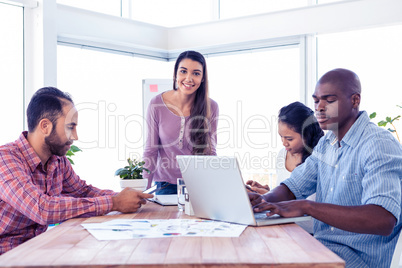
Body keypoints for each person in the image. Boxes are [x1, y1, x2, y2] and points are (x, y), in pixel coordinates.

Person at [249, 68, 402, 268]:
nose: (319, 108)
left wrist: (307, 207)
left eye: (329, 100)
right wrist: (261, 201)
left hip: (358, 260)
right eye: (316, 101)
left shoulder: (378, 143)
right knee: (259, 253)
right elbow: (293, 186)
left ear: (355, 100)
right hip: (322, 248)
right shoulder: (326, 143)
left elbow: (383, 219)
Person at [0, 87, 153, 255]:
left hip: (34, 251)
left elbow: (83, 191)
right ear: (45, 126)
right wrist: (115, 203)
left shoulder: (57, 161)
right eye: (70, 127)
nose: (75, 136)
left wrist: (124, 197)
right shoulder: (6, 159)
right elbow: (42, 209)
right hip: (7, 254)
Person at [143, 50, 219, 194]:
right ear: (175, 74)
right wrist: (144, 189)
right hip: (164, 185)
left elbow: (210, 151)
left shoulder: (211, 107)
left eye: (196, 73)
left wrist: (212, 186)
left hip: (198, 185)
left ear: (202, 78)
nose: (188, 78)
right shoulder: (156, 104)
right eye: (183, 71)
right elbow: (150, 151)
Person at [247, 102, 324, 233]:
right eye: (281, 137)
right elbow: (287, 195)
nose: (283, 143)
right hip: (284, 227)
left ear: (306, 135)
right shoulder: (282, 155)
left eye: (289, 138)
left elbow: (302, 202)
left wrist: (267, 198)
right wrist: (264, 194)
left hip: (308, 231)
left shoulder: (319, 158)